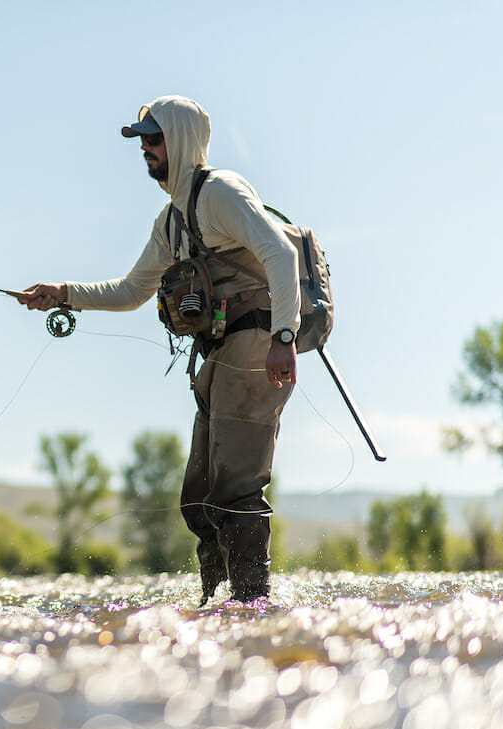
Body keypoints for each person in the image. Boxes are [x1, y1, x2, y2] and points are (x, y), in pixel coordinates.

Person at [18, 95, 300, 604]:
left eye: (154, 138)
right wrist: (63, 293)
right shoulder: (170, 221)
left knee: (235, 491)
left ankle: (251, 609)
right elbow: (131, 291)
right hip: (217, 355)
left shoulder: (221, 193)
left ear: (182, 140)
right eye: (142, 140)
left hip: (256, 343)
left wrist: (284, 338)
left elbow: (279, 253)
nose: (145, 148)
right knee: (197, 499)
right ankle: (214, 606)